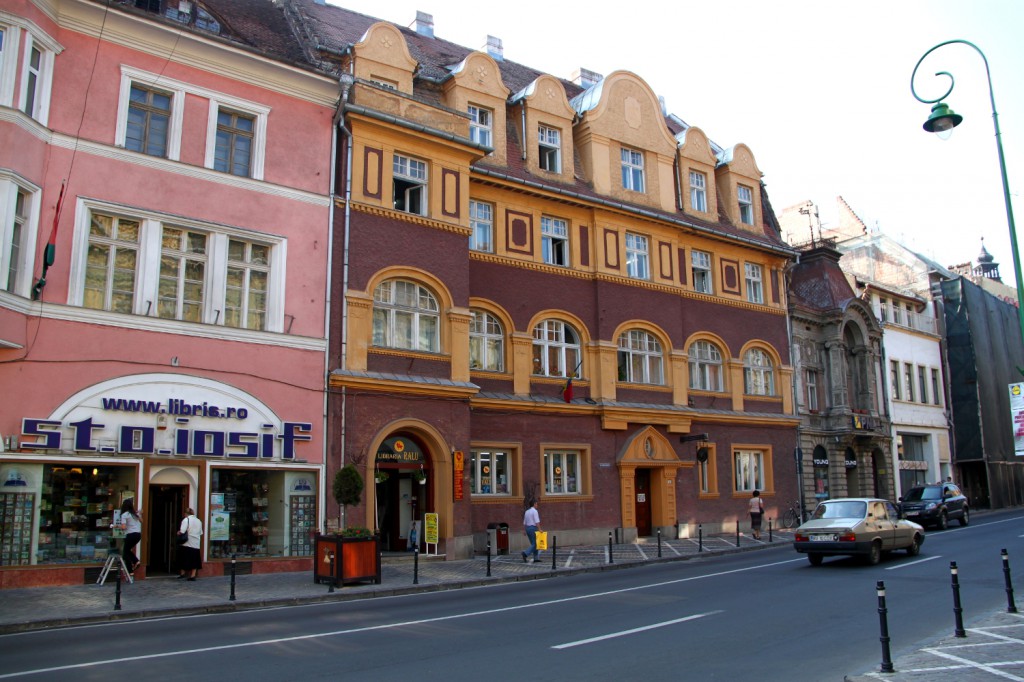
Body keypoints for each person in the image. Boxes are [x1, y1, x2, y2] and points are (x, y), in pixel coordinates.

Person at [177, 507, 203, 581]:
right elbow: (201, 532)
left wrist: (178, 532)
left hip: (187, 543)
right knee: (194, 559)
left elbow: (182, 531)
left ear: (185, 514)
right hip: (196, 543)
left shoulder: (186, 520)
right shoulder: (199, 521)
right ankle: (193, 575)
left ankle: (182, 573)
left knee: (183, 558)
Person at [119, 498, 142, 575]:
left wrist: (116, 526)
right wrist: (139, 514)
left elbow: (123, 527)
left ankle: (131, 569)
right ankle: (134, 564)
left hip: (130, 534)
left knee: (125, 552)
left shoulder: (124, 515)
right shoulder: (134, 514)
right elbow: (142, 521)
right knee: (127, 551)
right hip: (138, 535)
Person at [521, 499, 541, 563]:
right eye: (536, 504)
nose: (537, 505)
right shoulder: (535, 511)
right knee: (535, 544)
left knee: (534, 543)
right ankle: (525, 553)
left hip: (528, 529)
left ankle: (536, 558)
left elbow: (524, 522)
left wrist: (524, 530)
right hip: (533, 528)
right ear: (534, 504)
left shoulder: (527, 511)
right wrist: (540, 529)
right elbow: (537, 521)